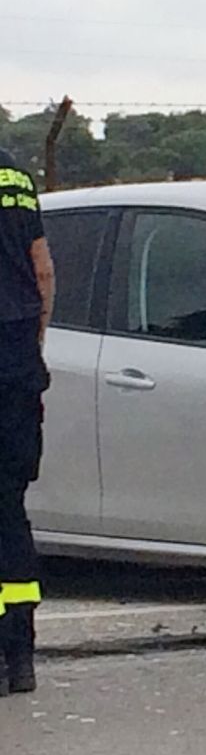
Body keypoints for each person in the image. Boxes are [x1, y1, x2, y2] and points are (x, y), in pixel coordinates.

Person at [0, 147, 53, 695]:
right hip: (17, 367)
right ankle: (20, 654)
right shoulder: (14, 173)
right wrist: (31, 345)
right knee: (10, 509)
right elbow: (42, 270)